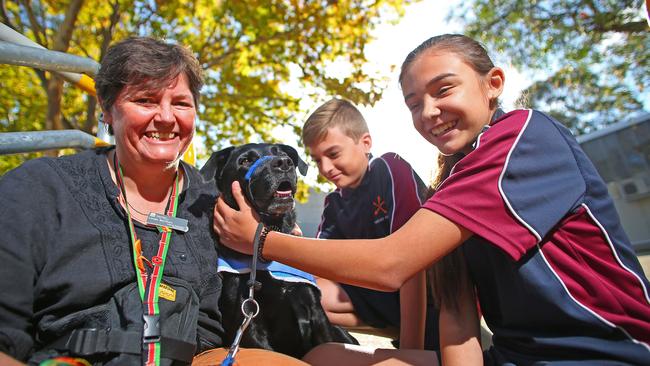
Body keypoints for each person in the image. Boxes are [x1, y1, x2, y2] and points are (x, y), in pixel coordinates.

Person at [214, 33, 650, 365]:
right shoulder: (452, 180)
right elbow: (458, 310)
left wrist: (257, 240)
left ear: (492, 83)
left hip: (598, 351)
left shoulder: (523, 138)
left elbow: (392, 265)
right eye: (413, 103)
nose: (427, 113)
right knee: (323, 356)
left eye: (443, 90)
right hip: (510, 353)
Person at [0, 37, 224, 365]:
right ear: (107, 110)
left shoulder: (214, 205)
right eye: (145, 100)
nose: (165, 117)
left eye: (180, 103)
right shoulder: (40, 188)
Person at [302, 98, 438, 351]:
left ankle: (414, 340)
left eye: (333, 154)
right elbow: (320, 267)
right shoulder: (333, 203)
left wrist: (410, 352)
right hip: (380, 297)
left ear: (365, 143)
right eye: (317, 160)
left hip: (431, 297)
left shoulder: (389, 168)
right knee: (302, 289)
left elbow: (413, 263)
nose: (325, 168)